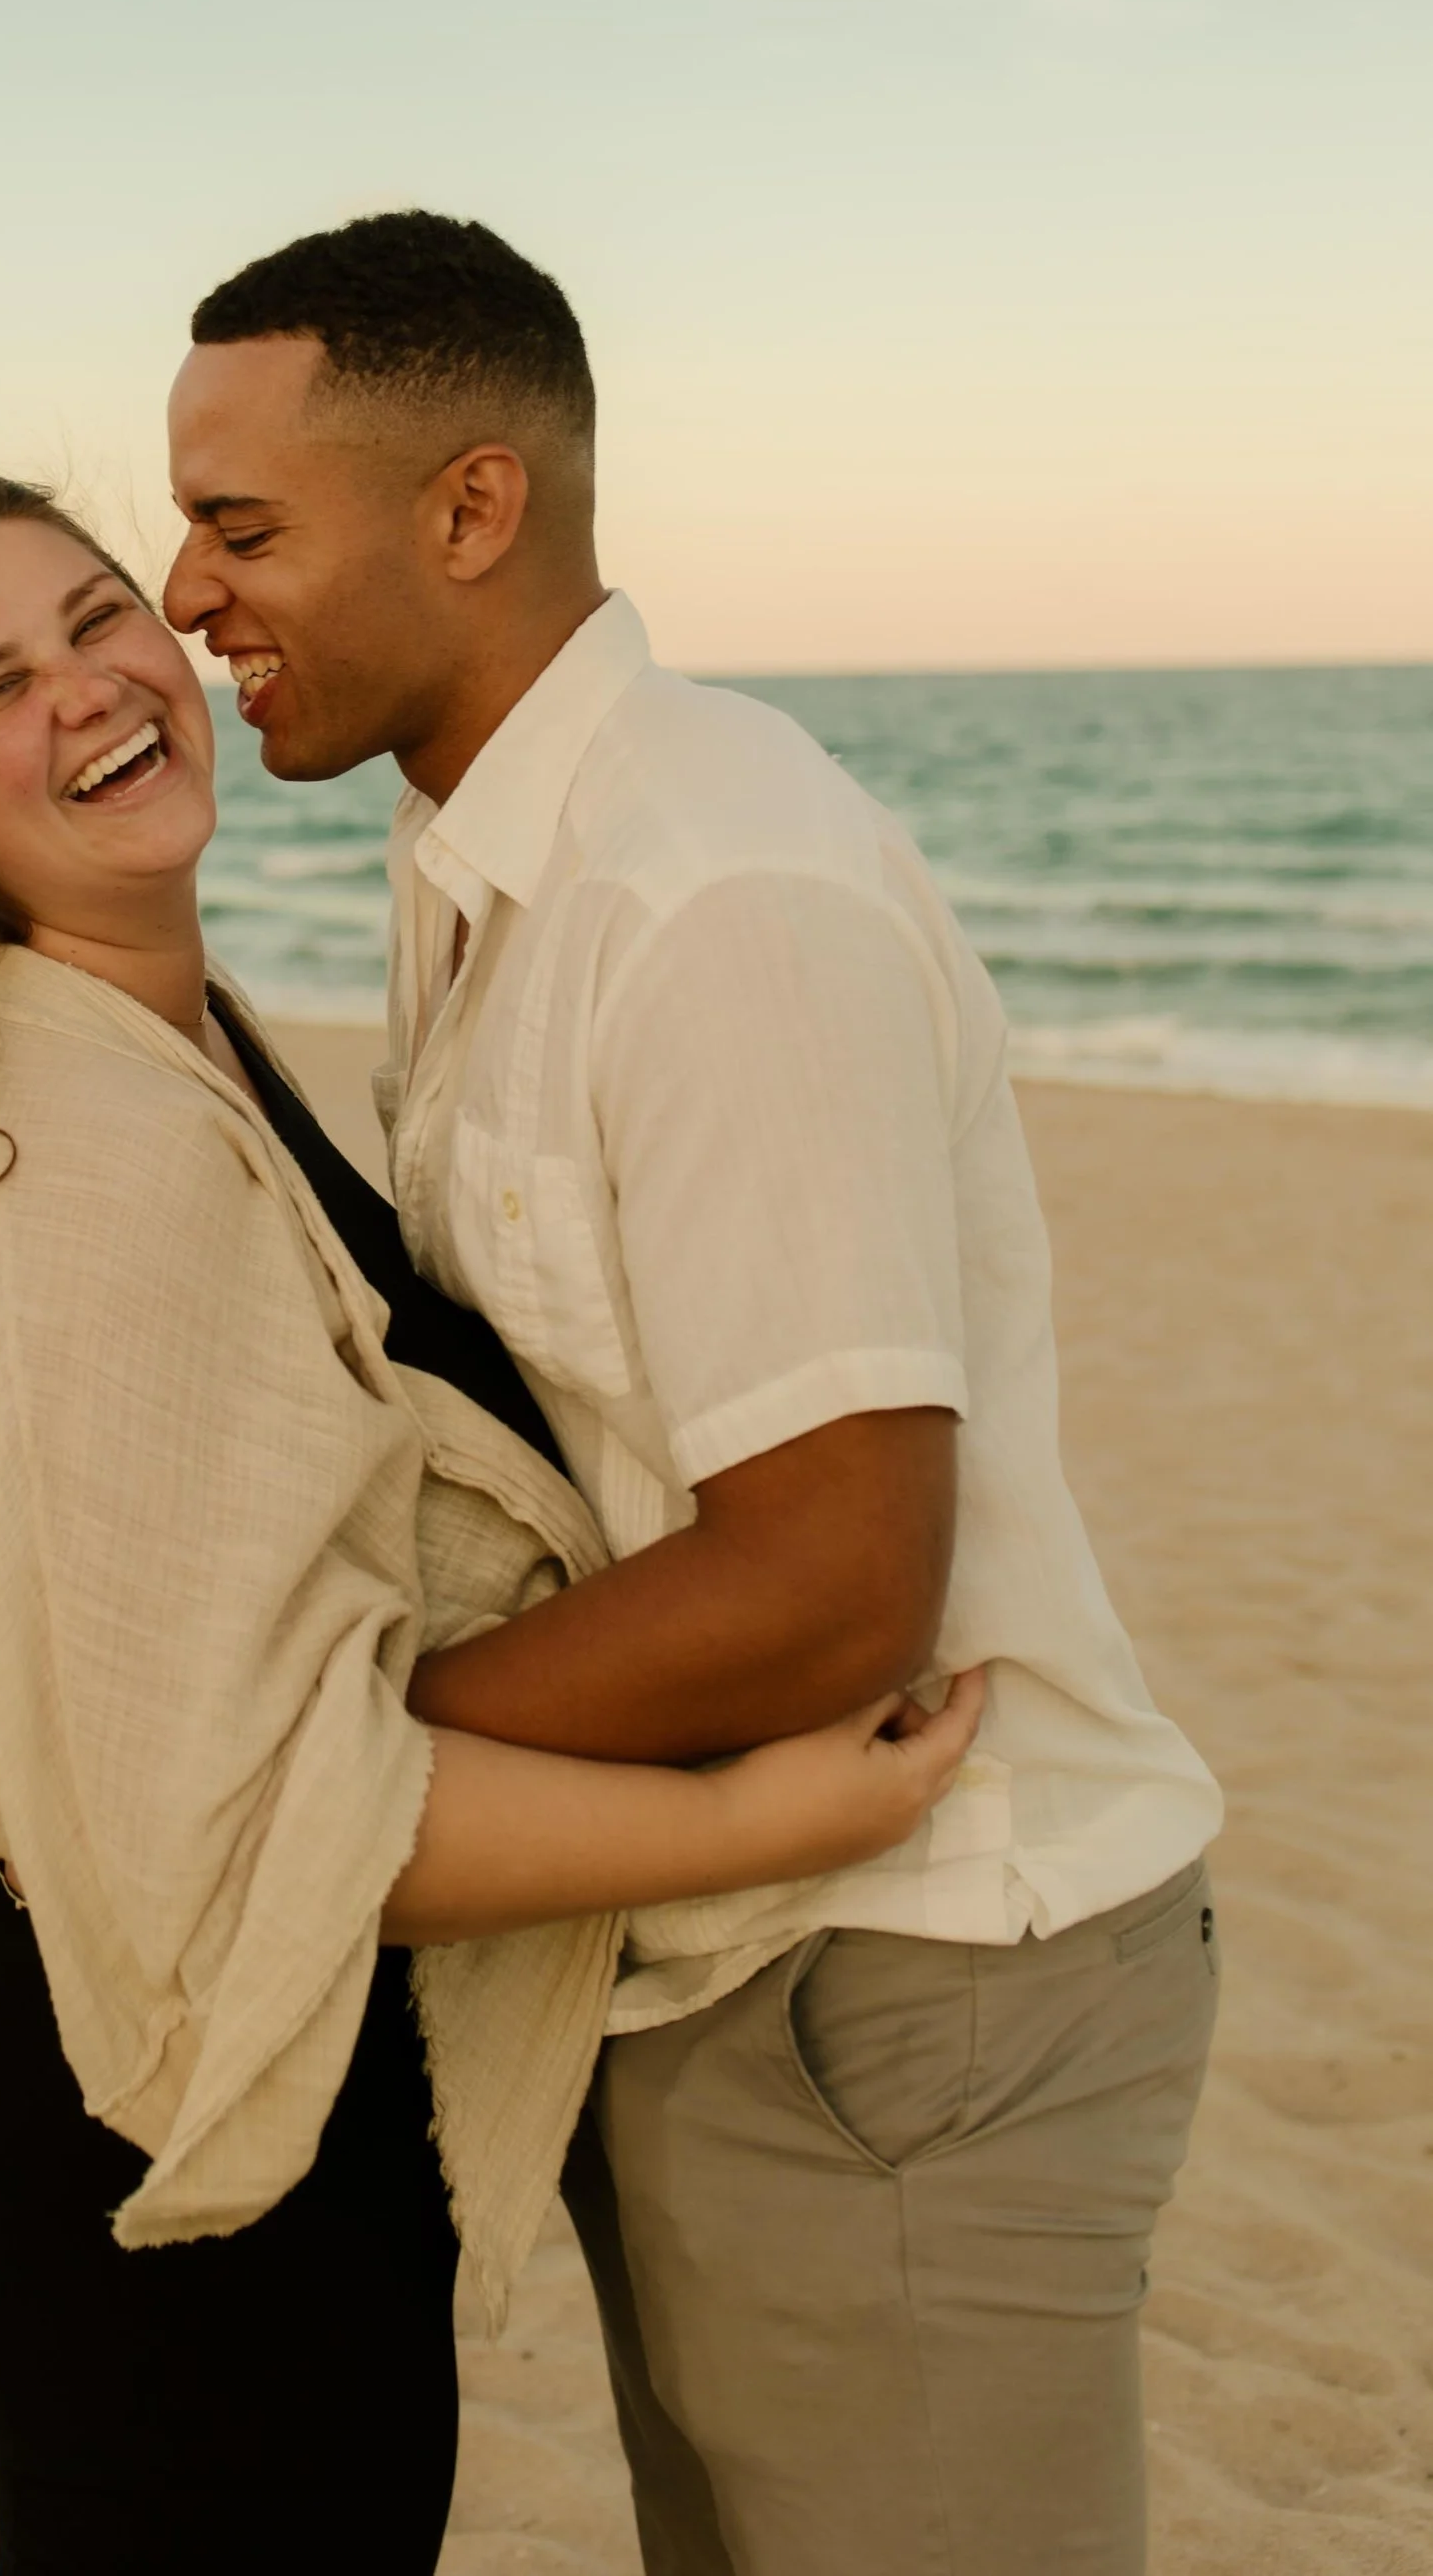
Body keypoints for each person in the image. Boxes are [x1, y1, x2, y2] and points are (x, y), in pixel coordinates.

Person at [0, 461, 982, 2576]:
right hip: (158, 2134)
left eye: (99, 615)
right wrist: (764, 1816)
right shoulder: (74, 1164)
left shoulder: (149, 1041)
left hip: (127, 2085)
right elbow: (249, 1823)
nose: (94, 688)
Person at [165, 209, 1225, 2576]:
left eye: (238, 527)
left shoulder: (708, 891)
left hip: (916, 1984)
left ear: (468, 508)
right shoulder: (486, 855)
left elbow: (834, 1577)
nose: (182, 593)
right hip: (723, 1956)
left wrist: (363, 1761)